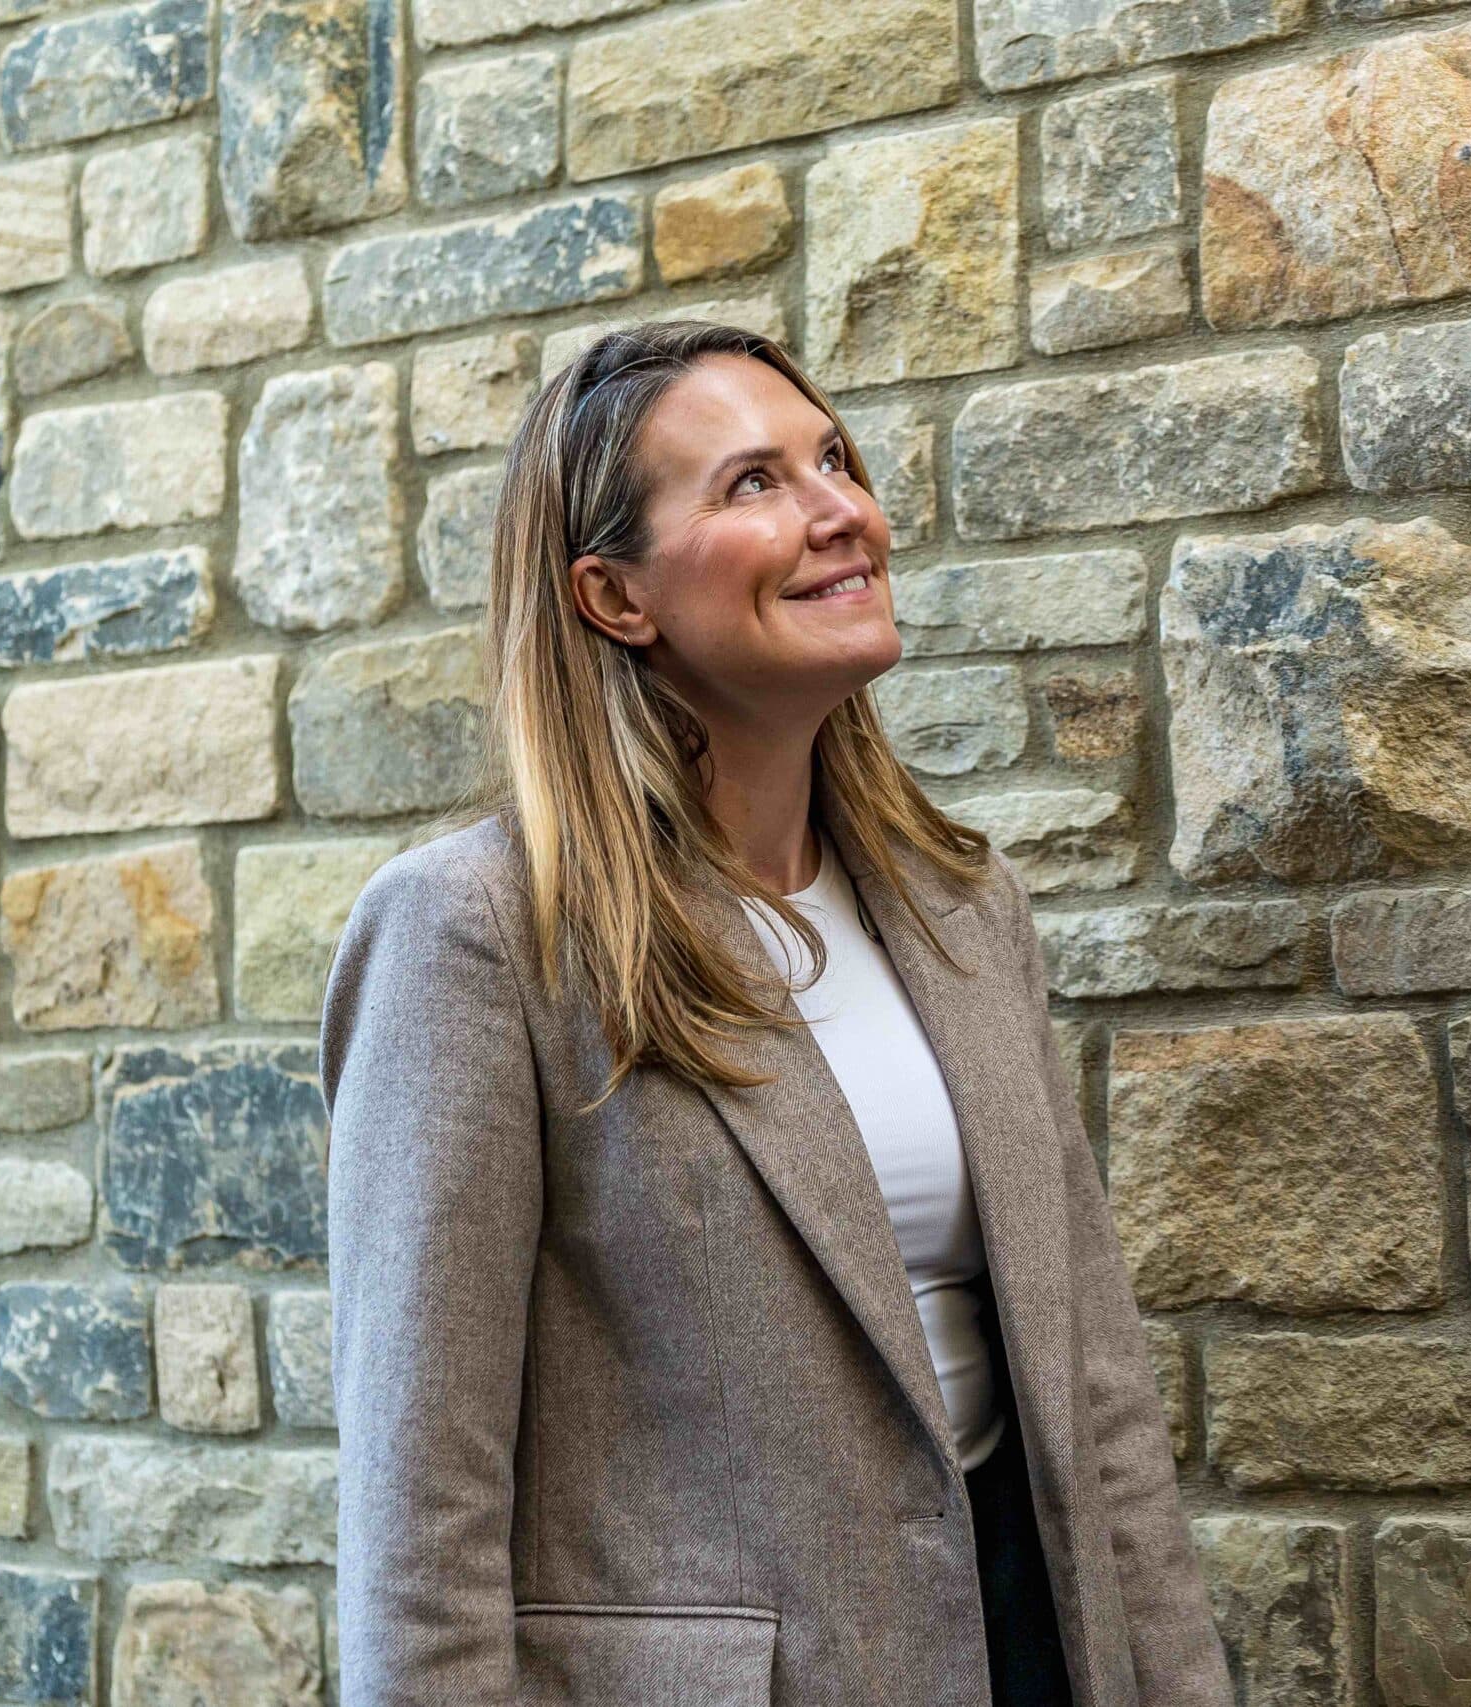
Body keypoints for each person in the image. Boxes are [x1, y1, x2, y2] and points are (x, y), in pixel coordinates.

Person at [318, 319, 1234, 1707]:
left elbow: (1095, 1386)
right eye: (754, 484)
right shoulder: (479, 936)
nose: (839, 514)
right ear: (614, 597)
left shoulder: (961, 905)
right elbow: (421, 1504)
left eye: (835, 462)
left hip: (1031, 1636)